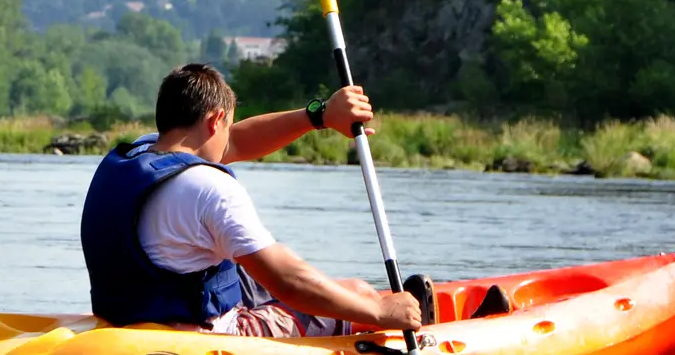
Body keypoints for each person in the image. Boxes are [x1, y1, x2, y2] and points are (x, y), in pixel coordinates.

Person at [80, 63, 426, 338]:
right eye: (227, 126)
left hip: (126, 314)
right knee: (359, 293)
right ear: (216, 120)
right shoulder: (210, 188)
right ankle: (404, 325)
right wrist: (380, 312)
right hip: (198, 337)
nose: (229, 143)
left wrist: (319, 117)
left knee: (251, 271)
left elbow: (236, 143)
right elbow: (289, 283)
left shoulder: (139, 155)